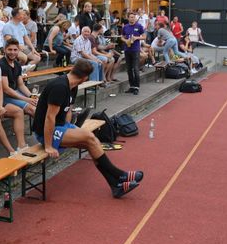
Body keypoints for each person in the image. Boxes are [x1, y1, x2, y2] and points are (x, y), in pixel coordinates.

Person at [32, 59, 143, 198]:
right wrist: (48, 146)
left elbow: (68, 110)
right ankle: (120, 175)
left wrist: (70, 129)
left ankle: (115, 186)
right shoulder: (59, 87)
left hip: (60, 127)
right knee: (89, 137)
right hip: (45, 132)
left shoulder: (72, 85)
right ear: (85, 77)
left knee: (92, 141)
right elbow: (49, 118)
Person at [0, 38, 37, 118]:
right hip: (4, 96)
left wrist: (31, 96)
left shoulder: (17, 64)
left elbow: (21, 85)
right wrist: (26, 99)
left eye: (15, 50)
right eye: (10, 49)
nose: (12, 52)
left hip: (15, 93)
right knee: (32, 109)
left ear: (18, 51)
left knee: (38, 104)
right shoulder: (1, 64)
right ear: (5, 50)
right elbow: (6, 89)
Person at [121, 12, 146, 95]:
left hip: (135, 49)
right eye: (131, 17)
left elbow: (144, 36)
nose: (133, 18)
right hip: (127, 49)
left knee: (135, 68)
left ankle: (136, 87)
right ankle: (131, 86)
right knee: (129, 69)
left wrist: (136, 38)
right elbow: (122, 37)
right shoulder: (125, 27)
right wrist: (125, 40)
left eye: (134, 17)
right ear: (128, 18)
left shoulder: (139, 26)